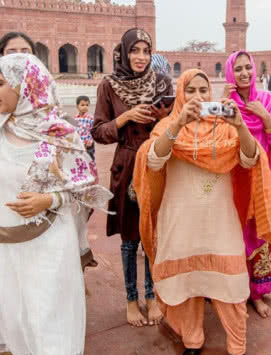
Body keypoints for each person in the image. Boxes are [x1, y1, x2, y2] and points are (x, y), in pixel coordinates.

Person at [0, 53, 112, 355]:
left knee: (47, 320)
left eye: (0, 83)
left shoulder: (60, 133)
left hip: (49, 244)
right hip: (0, 248)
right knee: (15, 318)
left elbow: (85, 187)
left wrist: (50, 198)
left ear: (26, 85)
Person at [134, 68, 271, 355]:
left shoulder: (226, 126)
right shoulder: (167, 126)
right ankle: (192, 340)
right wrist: (177, 124)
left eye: (204, 91)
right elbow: (152, 160)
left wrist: (240, 126)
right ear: (181, 94)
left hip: (220, 223)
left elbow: (251, 159)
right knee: (187, 284)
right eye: (191, 90)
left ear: (211, 95)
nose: (198, 96)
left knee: (231, 284)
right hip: (180, 221)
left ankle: (237, 344)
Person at [92, 28, 173, 327]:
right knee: (129, 239)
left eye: (145, 51)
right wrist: (124, 118)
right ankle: (130, 299)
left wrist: (163, 119)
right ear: (125, 52)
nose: (140, 57)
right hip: (126, 165)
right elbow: (98, 131)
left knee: (154, 233)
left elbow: (175, 123)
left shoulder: (162, 82)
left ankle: (152, 296)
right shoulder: (110, 86)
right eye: (134, 50)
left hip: (156, 161)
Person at [224, 51, 271, 318]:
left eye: (247, 67)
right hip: (236, 180)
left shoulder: (269, 101)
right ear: (230, 73)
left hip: (265, 181)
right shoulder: (227, 105)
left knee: (262, 236)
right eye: (237, 69)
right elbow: (220, 143)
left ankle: (258, 293)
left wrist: (265, 118)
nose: (244, 73)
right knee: (236, 238)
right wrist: (225, 107)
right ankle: (237, 291)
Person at [0, 32, 37, 120]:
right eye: (11, 52)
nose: (18, 56)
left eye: (25, 52)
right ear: (1, 56)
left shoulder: (45, 96)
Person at [75, 95, 95, 161]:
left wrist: (90, 141)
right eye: (82, 105)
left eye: (87, 105)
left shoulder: (90, 118)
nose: (85, 107)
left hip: (88, 144)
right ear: (77, 106)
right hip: (79, 144)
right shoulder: (75, 118)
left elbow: (93, 130)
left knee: (89, 159)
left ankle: (92, 171)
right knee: (80, 160)